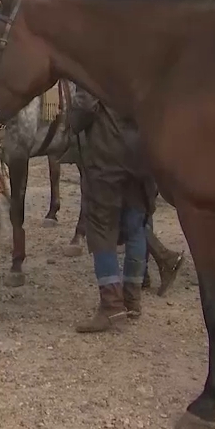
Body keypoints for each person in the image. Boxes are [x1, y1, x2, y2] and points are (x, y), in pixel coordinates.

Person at [67, 87, 156, 333]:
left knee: (100, 229)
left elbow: (83, 109)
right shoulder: (141, 61)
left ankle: (111, 305)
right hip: (142, 156)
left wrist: (71, 118)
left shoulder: (98, 65)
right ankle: (132, 300)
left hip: (107, 158)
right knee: (136, 225)